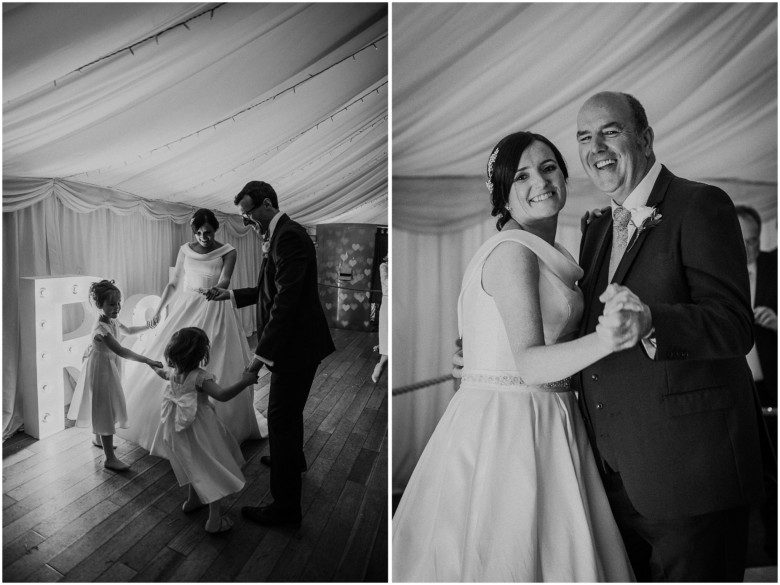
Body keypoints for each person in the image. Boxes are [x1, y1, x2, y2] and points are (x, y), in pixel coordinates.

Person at [393, 132, 637, 581]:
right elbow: (528, 363)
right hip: (516, 425)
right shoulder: (513, 253)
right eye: (521, 175)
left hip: (550, 414)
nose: (540, 181)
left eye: (548, 168)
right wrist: (611, 337)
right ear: (503, 194)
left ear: (564, 175)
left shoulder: (550, 250)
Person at [573, 91, 765, 581]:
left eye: (609, 131)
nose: (595, 147)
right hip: (615, 477)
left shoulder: (701, 204)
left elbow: (733, 324)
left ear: (645, 138)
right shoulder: (595, 228)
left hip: (693, 479)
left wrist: (652, 321)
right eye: (583, 137)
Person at [207, 181, 335, 526]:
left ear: (267, 204)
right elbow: (268, 289)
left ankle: (285, 509)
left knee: (280, 417)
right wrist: (231, 295)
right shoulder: (279, 235)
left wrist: (260, 356)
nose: (248, 221)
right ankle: (294, 459)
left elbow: (286, 302)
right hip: (296, 343)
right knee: (288, 414)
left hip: (295, 346)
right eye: (244, 216)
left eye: (249, 214)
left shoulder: (289, 236)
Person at [117, 208, 266, 452]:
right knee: (174, 353)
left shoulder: (228, 251)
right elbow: (174, 283)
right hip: (186, 305)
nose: (203, 237)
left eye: (207, 232)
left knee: (218, 356)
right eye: (198, 233)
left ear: (215, 229)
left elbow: (225, 281)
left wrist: (216, 291)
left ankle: (214, 417)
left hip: (215, 305)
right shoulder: (185, 250)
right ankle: (165, 418)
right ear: (193, 232)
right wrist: (158, 311)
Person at [149, 328, 258, 533]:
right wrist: (245, 381)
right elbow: (223, 395)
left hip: (178, 430)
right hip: (201, 430)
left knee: (193, 463)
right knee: (212, 467)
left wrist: (152, 365)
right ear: (202, 354)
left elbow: (163, 372)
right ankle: (214, 521)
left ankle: (192, 501)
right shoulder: (200, 377)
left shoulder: (174, 373)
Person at [67, 280, 162, 470]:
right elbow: (121, 350)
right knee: (105, 409)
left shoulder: (112, 320)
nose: (117, 307)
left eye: (118, 303)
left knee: (103, 404)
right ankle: (110, 459)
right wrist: (148, 360)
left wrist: (148, 326)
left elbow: (127, 330)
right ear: (98, 305)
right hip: (102, 369)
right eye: (111, 304)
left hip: (107, 366)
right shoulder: (101, 329)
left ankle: (97, 439)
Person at [735, 204, 777, 561]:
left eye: (753, 241)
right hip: (736, 394)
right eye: (741, 240)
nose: (747, 248)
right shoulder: (714, 271)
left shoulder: (775, 268)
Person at [372, 256, 388, 384]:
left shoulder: (384, 267)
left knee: (386, 333)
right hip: (390, 303)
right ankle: (381, 364)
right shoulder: (385, 267)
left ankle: (380, 363)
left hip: (388, 303)